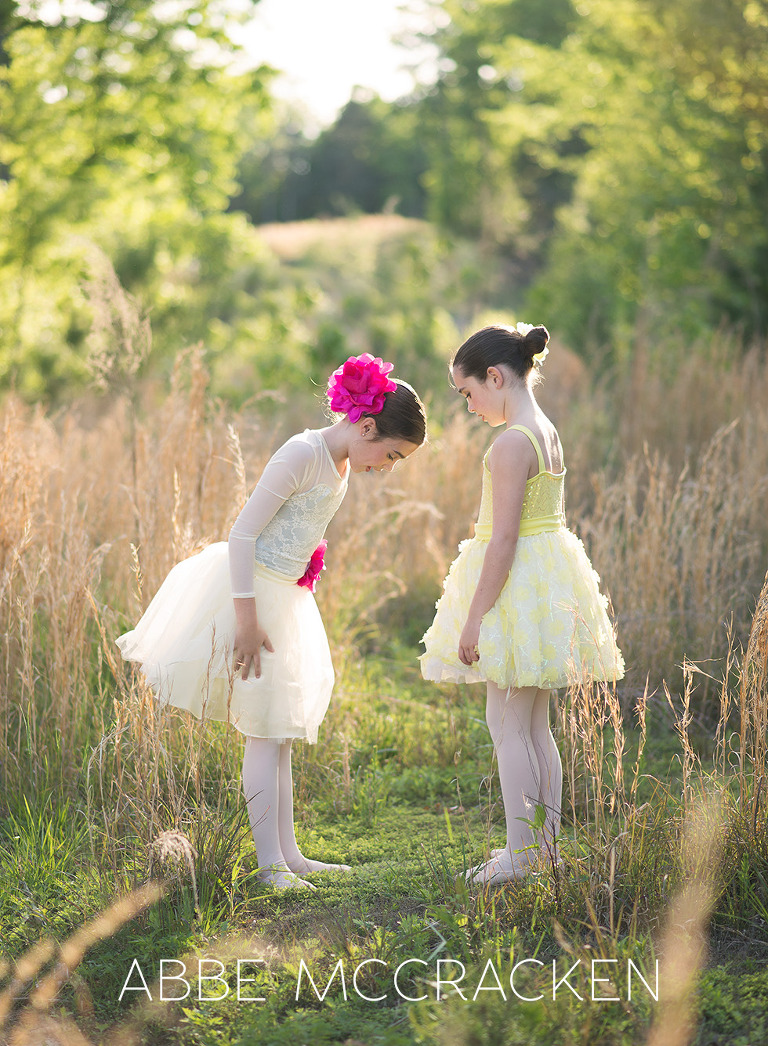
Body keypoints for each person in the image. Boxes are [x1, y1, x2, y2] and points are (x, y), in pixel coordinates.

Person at [117, 354, 426, 889]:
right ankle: (270, 867)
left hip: (285, 597)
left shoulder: (341, 463)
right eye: (392, 454)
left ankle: (290, 855)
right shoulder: (303, 453)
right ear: (367, 427)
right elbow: (242, 534)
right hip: (250, 595)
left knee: (278, 728)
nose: (388, 467)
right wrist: (247, 619)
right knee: (263, 730)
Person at [420, 323, 624, 885]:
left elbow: (504, 538)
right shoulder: (545, 429)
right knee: (534, 725)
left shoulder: (511, 442)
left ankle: (523, 853)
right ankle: (543, 845)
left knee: (506, 722)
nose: (469, 406)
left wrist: (475, 617)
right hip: (544, 579)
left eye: (468, 393)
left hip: (515, 586)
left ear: (495, 377)